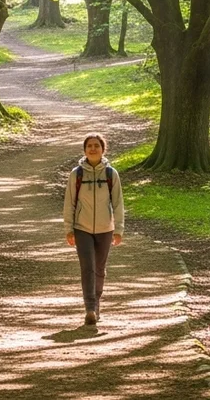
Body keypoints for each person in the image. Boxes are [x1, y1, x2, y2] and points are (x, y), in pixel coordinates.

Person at [63, 133, 124, 326]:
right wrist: (69, 228)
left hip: (106, 228)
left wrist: (118, 229)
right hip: (82, 228)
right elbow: (69, 203)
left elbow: (118, 203)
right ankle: (89, 309)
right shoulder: (76, 174)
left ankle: (96, 304)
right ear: (84, 150)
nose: (93, 149)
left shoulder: (111, 174)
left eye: (96, 145)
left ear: (103, 149)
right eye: (89, 146)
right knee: (87, 268)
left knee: (99, 269)